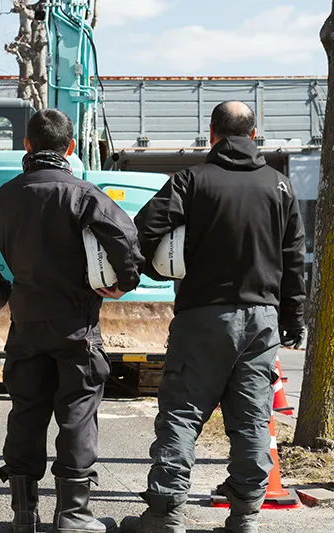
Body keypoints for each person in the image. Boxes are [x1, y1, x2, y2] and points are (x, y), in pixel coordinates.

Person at [0, 108, 144, 533]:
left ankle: (24, 514)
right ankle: (73, 514)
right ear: (70, 148)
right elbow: (127, 242)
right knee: (77, 412)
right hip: (76, 322)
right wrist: (121, 284)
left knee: (27, 411)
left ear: (28, 146)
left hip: (26, 322)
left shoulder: (5, 197)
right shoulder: (84, 195)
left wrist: (5, 292)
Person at [120, 101, 306, 533]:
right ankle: (245, 516)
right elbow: (293, 258)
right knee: (252, 417)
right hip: (262, 319)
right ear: (254, 134)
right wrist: (293, 319)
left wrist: (145, 270)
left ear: (212, 133)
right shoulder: (279, 186)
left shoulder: (190, 180)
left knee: (182, 413)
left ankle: (165, 514)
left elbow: (142, 231)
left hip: (202, 315)